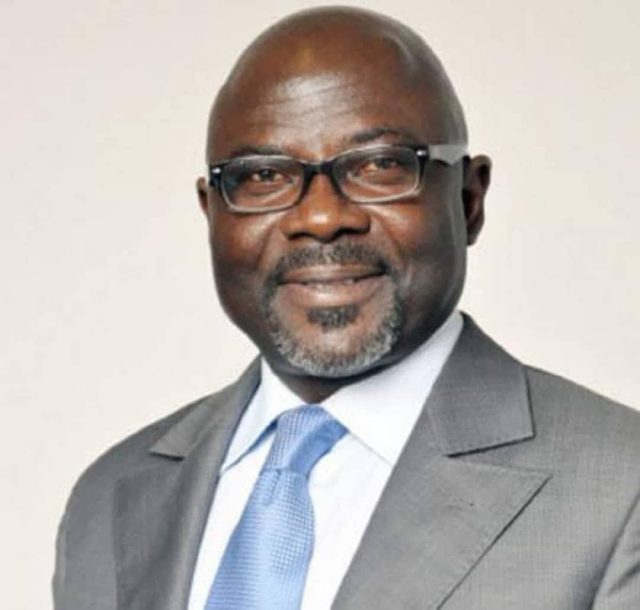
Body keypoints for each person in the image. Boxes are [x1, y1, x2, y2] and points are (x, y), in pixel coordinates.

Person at [53, 6, 640, 610]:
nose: (321, 217)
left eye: (380, 166)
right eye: (263, 176)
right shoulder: (108, 500)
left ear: (469, 200)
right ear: (212, 214)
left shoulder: (621, 492)